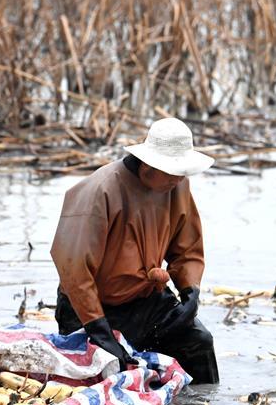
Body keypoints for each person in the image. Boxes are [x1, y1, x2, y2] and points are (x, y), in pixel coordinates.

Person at [50, 117, 219, 383]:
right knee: (110, 376)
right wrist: (99, 330)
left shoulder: (177, 185)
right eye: (172, 172)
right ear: (148, 165)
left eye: (181, 172)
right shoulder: (100, 190)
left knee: (198, 342)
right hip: (92, 309)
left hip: (147, 301)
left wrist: (190, 293)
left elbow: (187, 249)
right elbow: (74, 269)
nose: (178, 179)